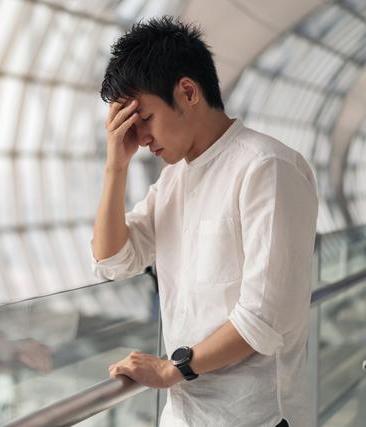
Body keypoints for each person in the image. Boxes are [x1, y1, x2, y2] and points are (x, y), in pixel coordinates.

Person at [91, 16, 318, 427]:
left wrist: (171, 370)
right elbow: (113, 260)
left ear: (188, 92)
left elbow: (264, 319)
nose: (139, 137)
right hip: (183, 414)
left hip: (256, 417)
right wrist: (115, 168)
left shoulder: (266, 167)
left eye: (143, 117)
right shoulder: (173, 181)